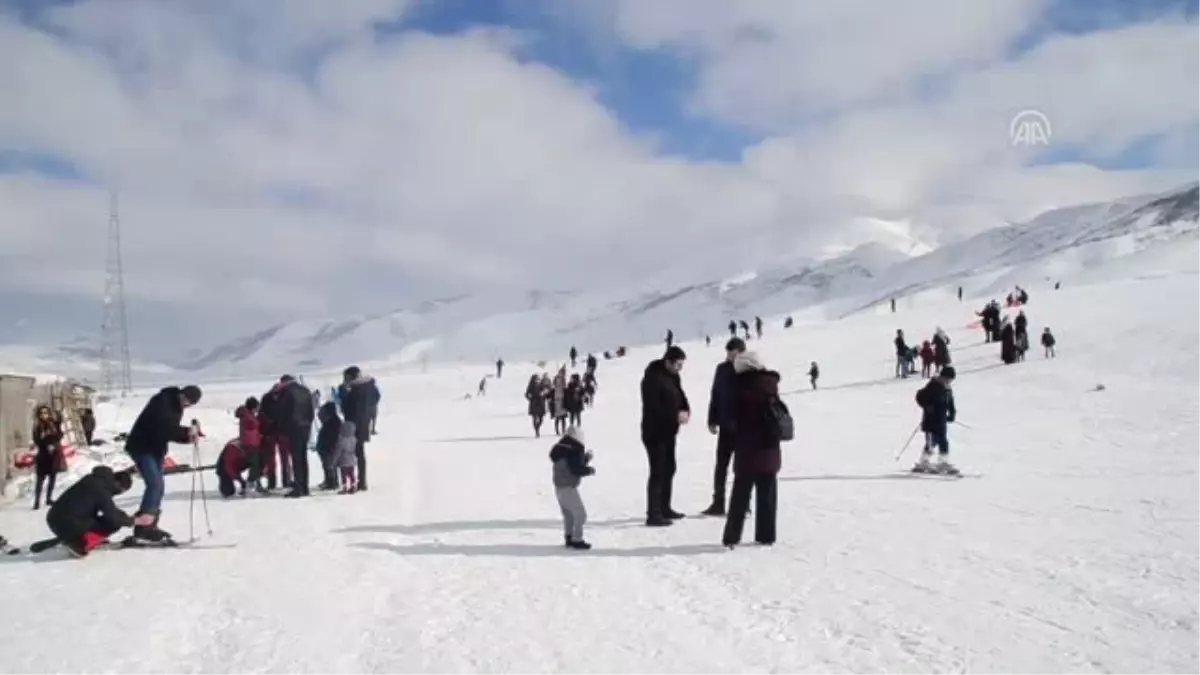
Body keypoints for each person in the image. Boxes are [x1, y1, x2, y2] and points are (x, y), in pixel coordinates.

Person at [722, 351, 783, 549]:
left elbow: (731, 416)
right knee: (767, 493)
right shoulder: (770, 384)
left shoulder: (739, 386)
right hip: (769, 447)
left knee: (740, 494)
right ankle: (766, 536)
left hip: (747, 446)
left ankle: (732, 536)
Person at [125, 385, 201, 542]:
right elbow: (163, 428)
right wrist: (186, 432)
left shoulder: (175, 406)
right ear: (181, 394)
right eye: (185, 399)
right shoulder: (162, 402)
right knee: (155, 484)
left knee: (159, 486)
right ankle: (144, 526)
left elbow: (169, 432)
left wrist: (188, 437)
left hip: (155, 449)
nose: (185, 404)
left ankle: (150, 524)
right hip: (142, 447)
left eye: (189, 403)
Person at [640, 345, 690, 526]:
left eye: (681, 365)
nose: (680, 368)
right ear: (668, 361)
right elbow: (653, 406)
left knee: (670, 467)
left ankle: (664, 507)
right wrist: (674, 415)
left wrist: (685, 409)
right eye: (678, 364)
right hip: (654, 432)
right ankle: (653, 514)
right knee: (658, 471)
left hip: (669, 431)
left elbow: (681, 396)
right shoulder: (652, 378)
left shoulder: (673, 376)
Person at [45, 466, 135, 557]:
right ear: (118, 484)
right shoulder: (103, 490)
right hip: (69, 523)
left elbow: (106, 508)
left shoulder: (92, 479)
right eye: (122, 490)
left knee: (93, 515)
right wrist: (132, 521)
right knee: (114, 523)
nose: (119, 493)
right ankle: (80, 543)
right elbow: (113, 518)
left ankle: (77, 537)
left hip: (53, 517)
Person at [702, 337, 745, 517]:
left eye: (732, 351)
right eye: (728, 352)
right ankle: (718, 502)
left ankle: (743, 503)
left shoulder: (747, 369)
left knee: (742, 467)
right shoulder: (721, 369)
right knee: (721, 466)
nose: (729, 355)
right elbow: (715, 394)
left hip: (744, 427)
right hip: (726, 426)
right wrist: (712, 419)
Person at [550, 426, 594, 549]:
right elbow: (576, 469)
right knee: (580, 514)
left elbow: (571, 465)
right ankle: (577, 539)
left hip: (559, 487)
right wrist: (589, 470)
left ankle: (569, 537)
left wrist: (585, 459)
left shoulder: (561, 447)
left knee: (569, 515)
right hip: (568, 486)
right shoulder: (575, 449)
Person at [913, 366, 958, 474]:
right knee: (931, 442)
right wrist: (927, 406)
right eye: (947, 379)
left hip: (941, 420)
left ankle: (942, 462)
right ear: (942, 376)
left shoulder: (947, 388)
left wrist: (952, 413)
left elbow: (950, 402)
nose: (949, 381)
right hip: (930, 420)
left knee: (943, 441)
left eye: (950, 380)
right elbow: (920, 396)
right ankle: (924, 462)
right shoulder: (933, 385)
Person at [340, 366, 377, 491]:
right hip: (364, 422)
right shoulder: (369, 386)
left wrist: (343, 394)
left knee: (348, 453)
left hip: (352, 424)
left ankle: (351, 480)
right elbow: (376, 397)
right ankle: (362, 481)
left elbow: (346, 407)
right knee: (360, 453)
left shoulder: (354, 390)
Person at [31, 406, 63, 510]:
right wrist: (46, 444)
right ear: (39, 415)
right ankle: (37, 501)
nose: (44, 415)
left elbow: (59, 435)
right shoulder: (38, 426)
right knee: (40, 479)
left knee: (52, 478)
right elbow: (37, 440)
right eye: (42, 413)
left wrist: (54, 444)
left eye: (46, 413)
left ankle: (49, 498)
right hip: (43, 455)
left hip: (53, 454)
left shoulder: (52, 424)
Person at [314, 401, 342, 490]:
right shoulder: (333, 421)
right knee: (328, 465)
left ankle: (331, 482)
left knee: (329, 465)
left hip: (328, 447)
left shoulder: (333, 422)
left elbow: (332, 437)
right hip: (325, 447)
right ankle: (330, 481)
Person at [332, 420, 360, 494]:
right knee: (351, 474)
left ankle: (344, 487)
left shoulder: (341, 440)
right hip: (352, 459)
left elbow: (338, 451)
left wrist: (334, 460)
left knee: (344, 475)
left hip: (344, 460)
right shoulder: (354, 439)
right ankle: (353, 485)